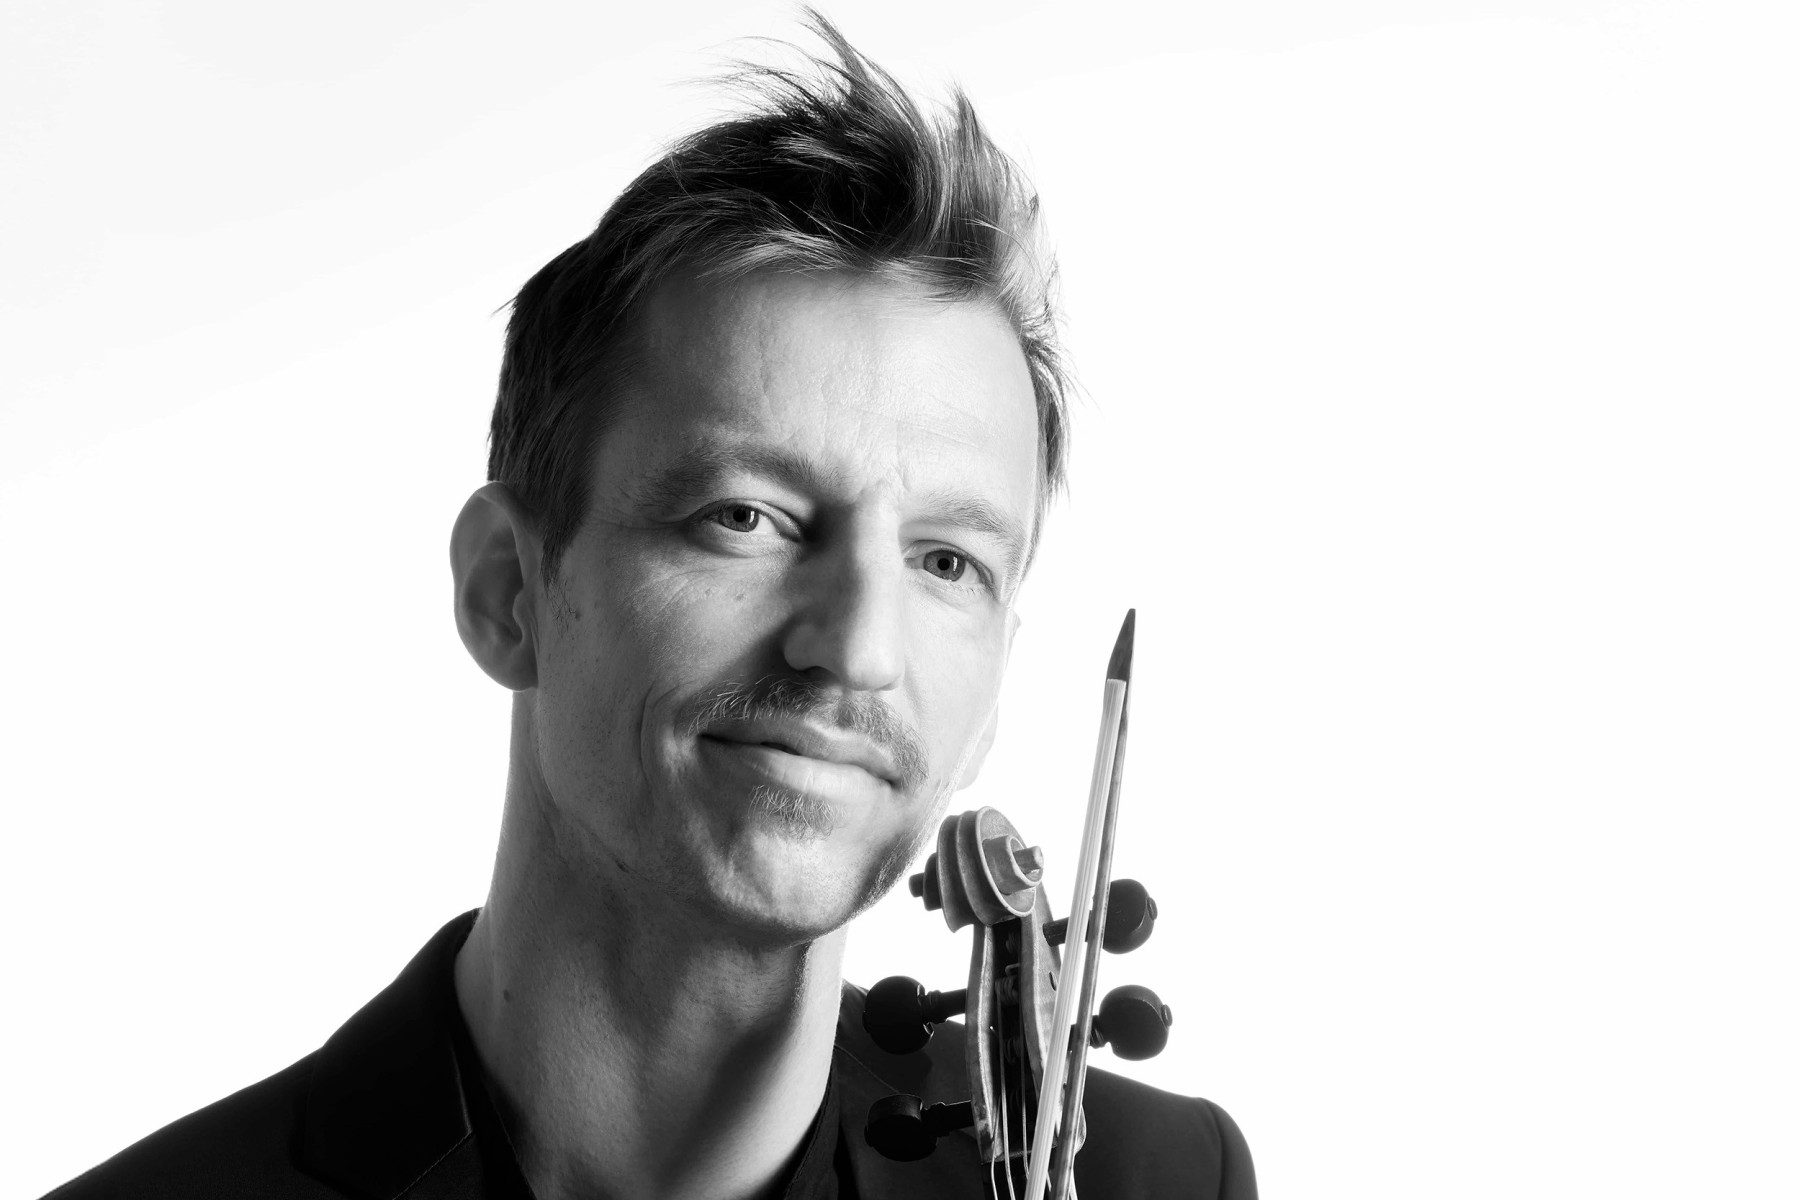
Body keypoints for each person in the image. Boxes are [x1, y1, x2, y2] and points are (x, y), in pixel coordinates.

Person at [46, 16, 1255, 1200]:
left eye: (946, 563)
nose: (859, 648)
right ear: (509, 591)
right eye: (746, 516)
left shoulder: (1156, 1181)